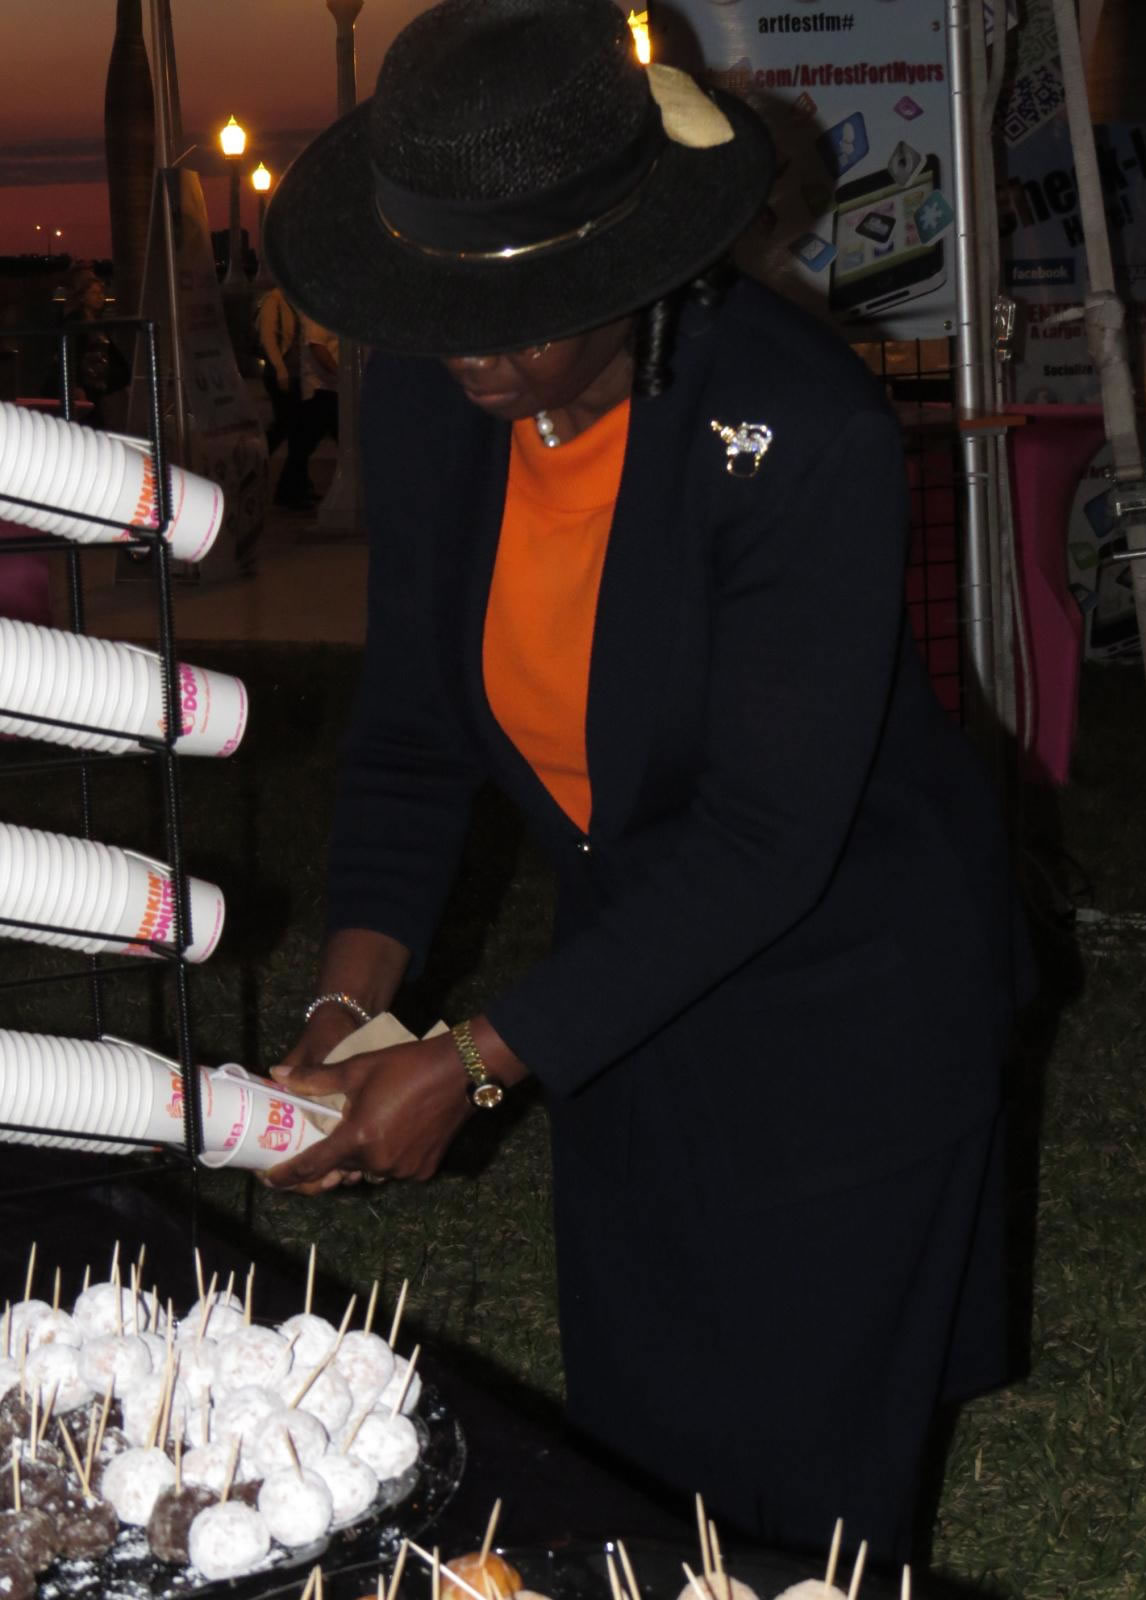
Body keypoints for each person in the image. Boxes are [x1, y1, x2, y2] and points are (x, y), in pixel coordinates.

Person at [262, 0, 1030, 1566]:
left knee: (803, 1502)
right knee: (640, 1459)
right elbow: (411, 735)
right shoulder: (431, 399)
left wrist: (475, 1063)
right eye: (442, 305)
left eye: (519, 313)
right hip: (633, 978)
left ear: (630, 262)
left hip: (854, 1001)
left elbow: (763, 841)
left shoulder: (798, 428)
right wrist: (351, 1007)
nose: (475, 352)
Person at [273, 312, 339, 509]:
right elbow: (317, 346)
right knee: (305, 442)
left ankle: (292, 490)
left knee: (304, 443)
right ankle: (289, 492)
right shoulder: (316, 315)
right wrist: (340, 373)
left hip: (331, 388)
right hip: (321, 389)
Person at [55, 264, 131, 429]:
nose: (100, 298)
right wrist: (76, 385)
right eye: (94, 293)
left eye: (101, 293)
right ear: (82, 297)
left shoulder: (96, 323)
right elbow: (71, 354)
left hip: (98, 387)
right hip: (85, 387)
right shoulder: (76, 322)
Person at [256, 283, 301, 458]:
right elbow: (268, 339)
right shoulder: (274, 300)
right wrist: (280, 370)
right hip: (280, 372)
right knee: (286, 424)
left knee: (294, 424)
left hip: (297, 373)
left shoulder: (296, 301)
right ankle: (258, 458)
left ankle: (295, 469)